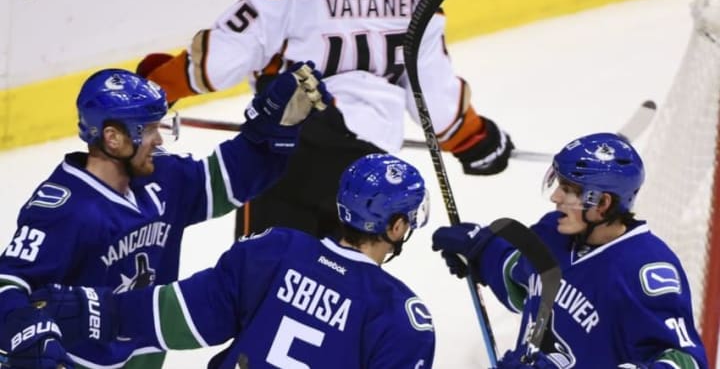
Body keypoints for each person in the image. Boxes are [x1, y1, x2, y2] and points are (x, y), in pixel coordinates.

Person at [135, 0, 514, 240]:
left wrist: (152, 88)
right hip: (372, 165)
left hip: (289, 152)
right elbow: (437, 107)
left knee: (263, 287)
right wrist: (476, 140)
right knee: (341, 302)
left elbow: (216, 64)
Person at [0, 62, 331, 369]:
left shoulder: (162, 175)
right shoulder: (65, 209)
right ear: (113, 138)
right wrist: (30, 339)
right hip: (83, 362)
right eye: (147, 130)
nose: (158, 139)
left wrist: (273, 129)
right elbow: (8, 283)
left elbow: (227, 181)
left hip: (145, 351)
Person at [30, 153, 435, 369]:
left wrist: (95, 309)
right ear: (396, 227)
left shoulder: (277, 249)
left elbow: (184, 315)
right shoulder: (401, 317)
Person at [431, 133, 708, 368]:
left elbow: (686, 361)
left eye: (568, 190)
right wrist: (482, 249)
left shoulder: (644, 269)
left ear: (602, 203)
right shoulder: (554, 232)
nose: (555, 198)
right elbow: (522, 281)